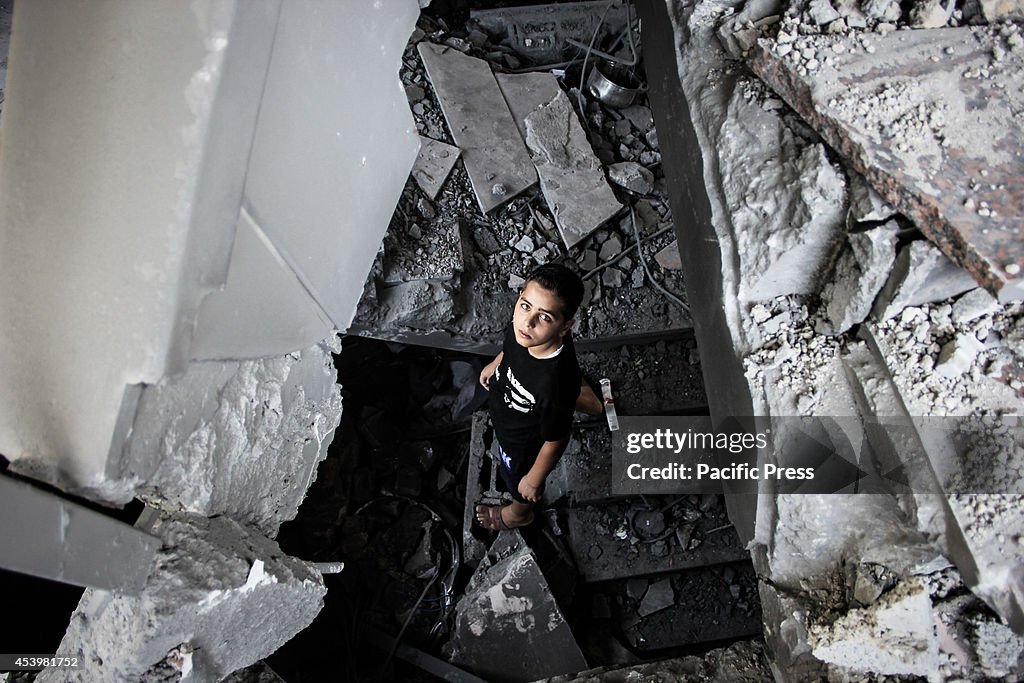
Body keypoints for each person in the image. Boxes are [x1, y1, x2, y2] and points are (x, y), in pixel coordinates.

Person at [475, 263, 601, 531]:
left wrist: (534, 478)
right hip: (516, 407)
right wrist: (497, 364)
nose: (528, 322)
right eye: (525, 305)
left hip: (522, 442)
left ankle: (519, 513)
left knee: (516, 481)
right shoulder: (523, 332)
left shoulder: (552, 385)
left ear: (565, 326)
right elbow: (511, 351)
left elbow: (556, 440)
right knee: (560, 399)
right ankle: (588, 398)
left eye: (545, 317)